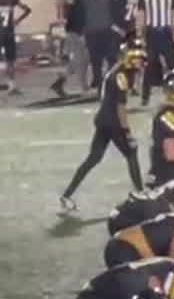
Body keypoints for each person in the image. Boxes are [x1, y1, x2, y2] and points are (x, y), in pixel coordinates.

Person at [61, 42, 146, 211]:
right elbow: (120, 107)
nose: (141, 62)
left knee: (93, 158)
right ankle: (141, 194)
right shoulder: (121, 76)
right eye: (138, 59)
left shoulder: (116, 71)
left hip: (103, 119)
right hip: (113, 121)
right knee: (131, 153)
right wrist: (127, 132)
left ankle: (67, 194)